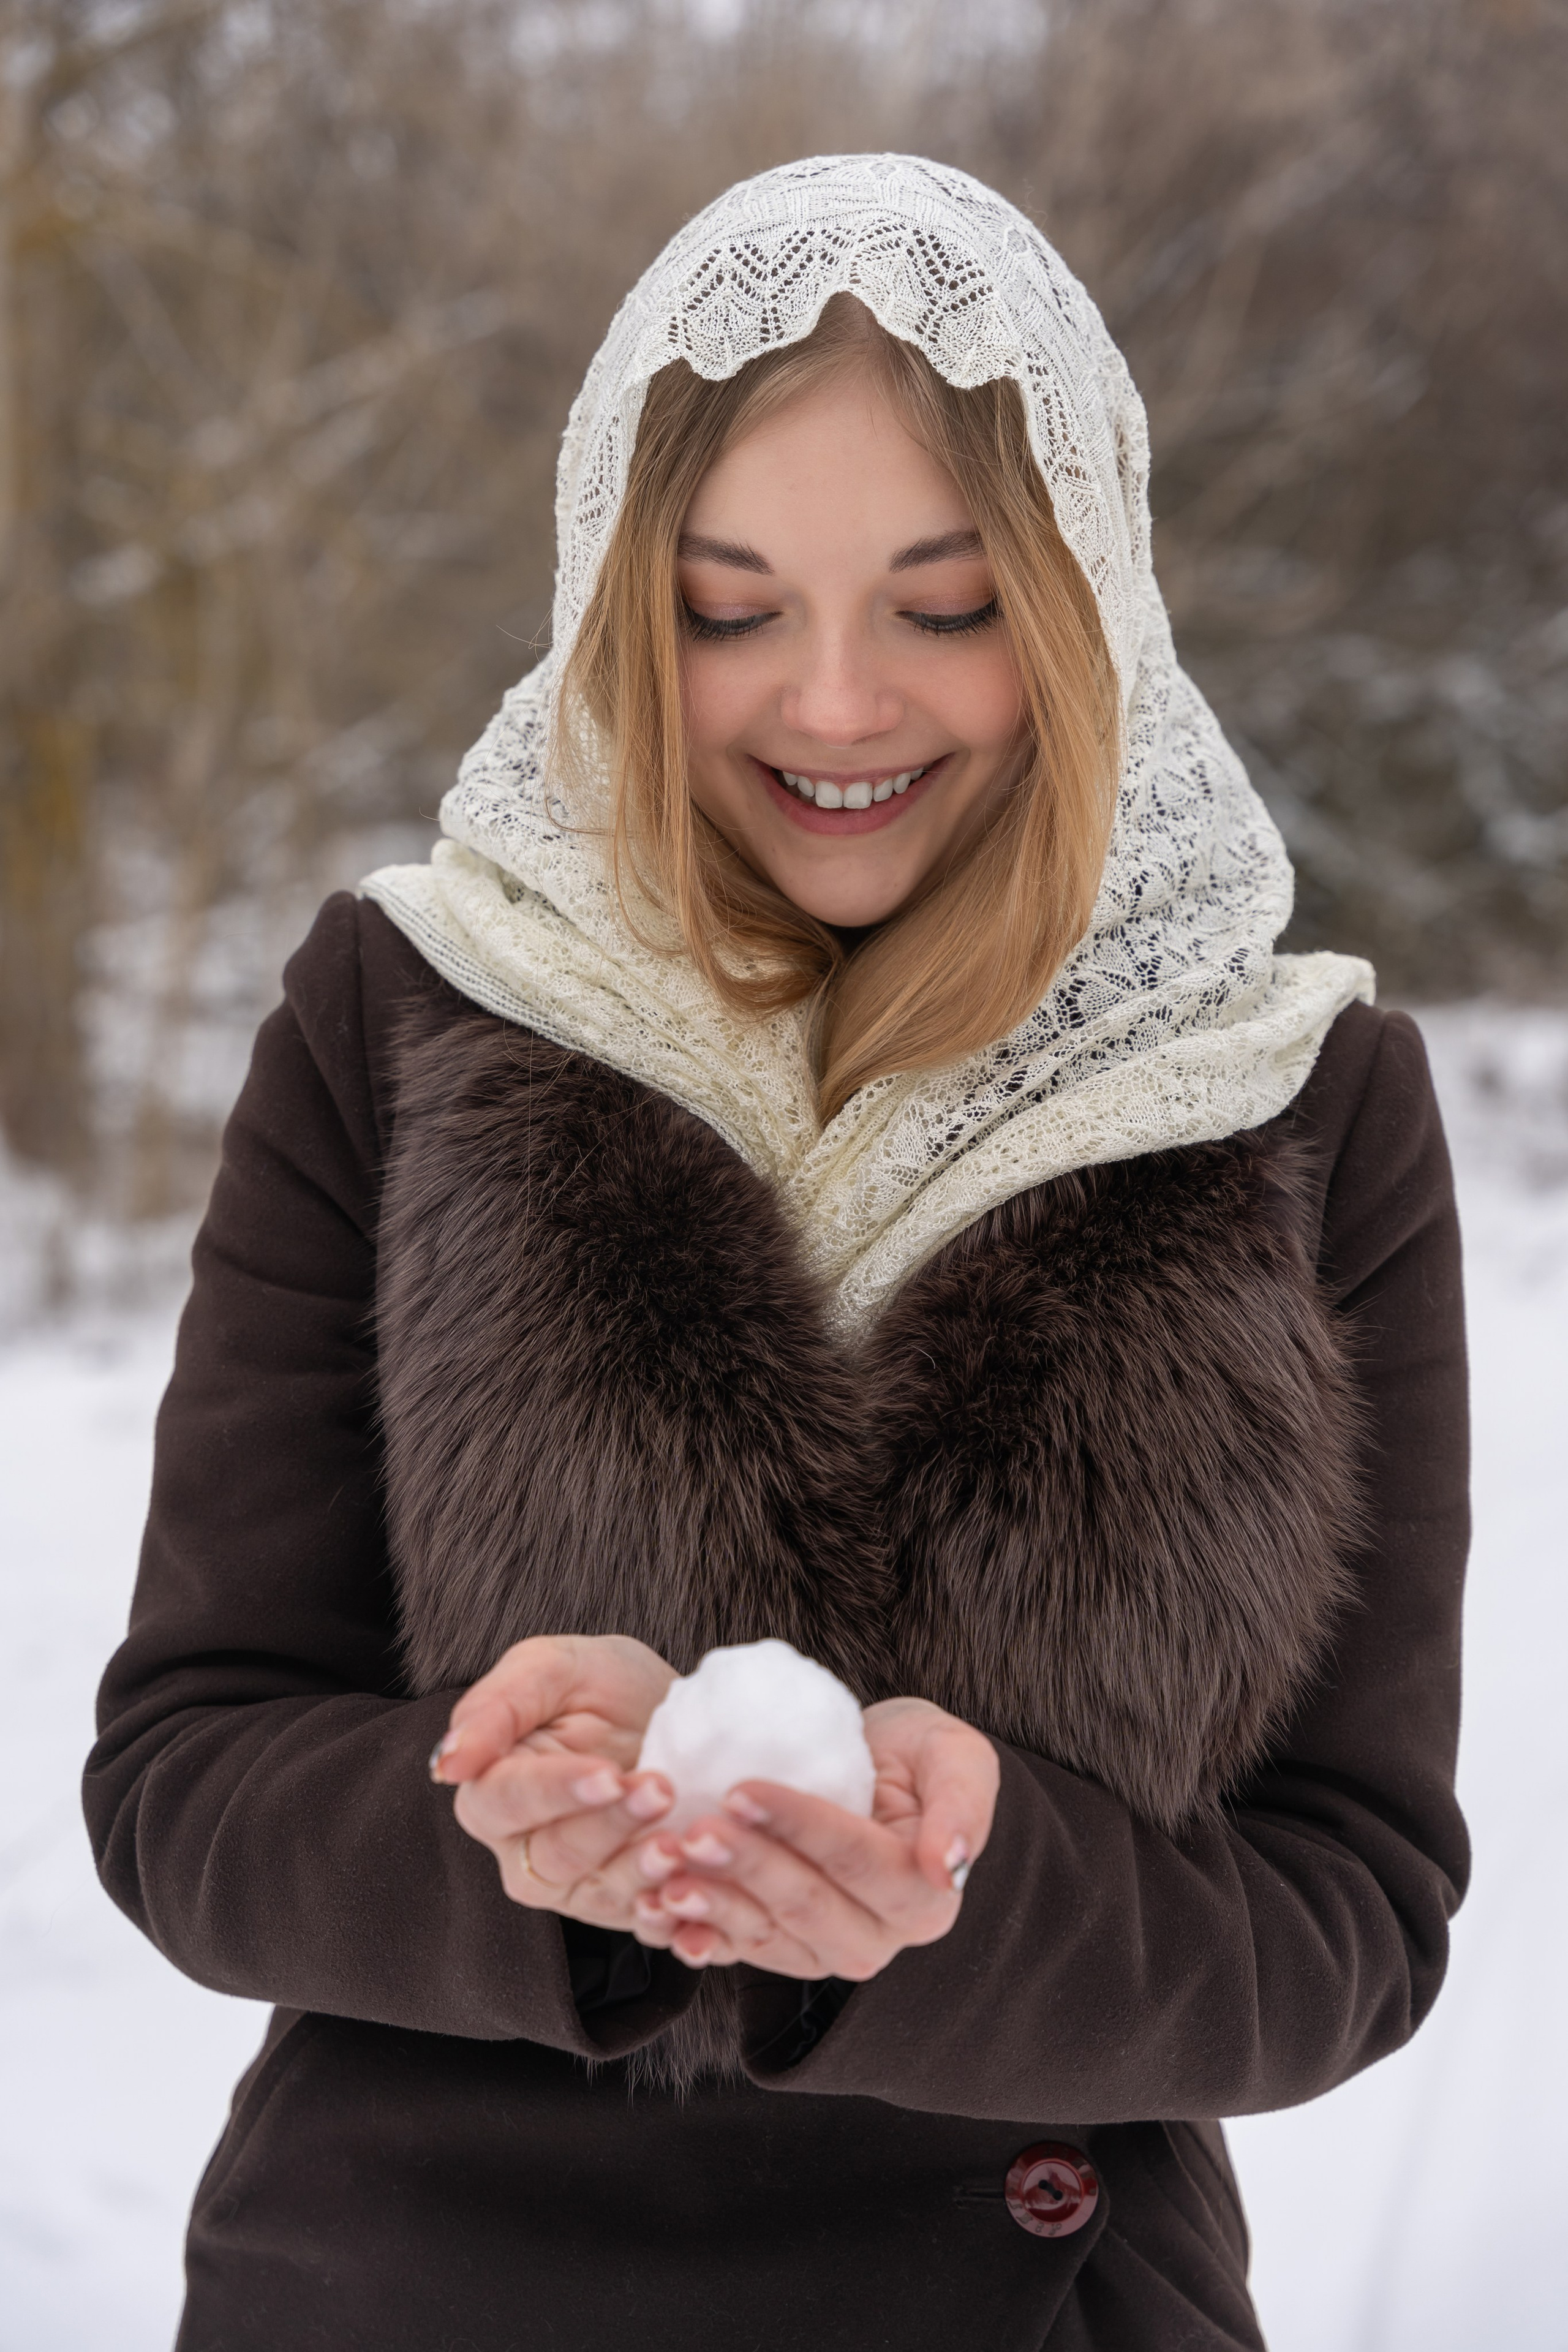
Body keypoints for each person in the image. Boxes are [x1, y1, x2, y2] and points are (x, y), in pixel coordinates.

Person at [85, 155, 1469, 2350]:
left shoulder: (1297, 1105)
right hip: (411, 2291)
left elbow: (1351, 1918)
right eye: (732, 611)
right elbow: (186, 1777)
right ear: (617, 604)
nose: (835, 706)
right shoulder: (406, 1008)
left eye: (946, 607)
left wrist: (974, 1886)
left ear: (1085, 603)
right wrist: (512, 1841)